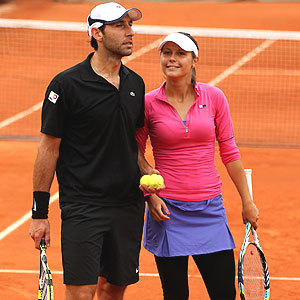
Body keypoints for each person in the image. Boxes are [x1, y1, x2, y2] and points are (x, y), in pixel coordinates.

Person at [28, 3, 146, 300]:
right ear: (98, 33)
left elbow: (129, 142)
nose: (130, 32)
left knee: (114, 290)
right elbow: (48, 148)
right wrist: (39, 213)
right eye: (120, 26)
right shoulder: (67, 84)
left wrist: (148, 175)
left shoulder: (135, 84)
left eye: (130, 25)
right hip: (84, 205)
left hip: (127, 205)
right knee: (81, 293)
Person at [136, 32, 259, 300]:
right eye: (167, 53)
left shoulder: (214, 97)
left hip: (210, 210)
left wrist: (247, 201)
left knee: (224, 293)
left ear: (194, 60)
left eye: (180, 54)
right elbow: (134, 152)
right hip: (166, 210)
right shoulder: (147, 103)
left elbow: (229, 150)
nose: (172, 59)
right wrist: (150, 196)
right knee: (176, 295)